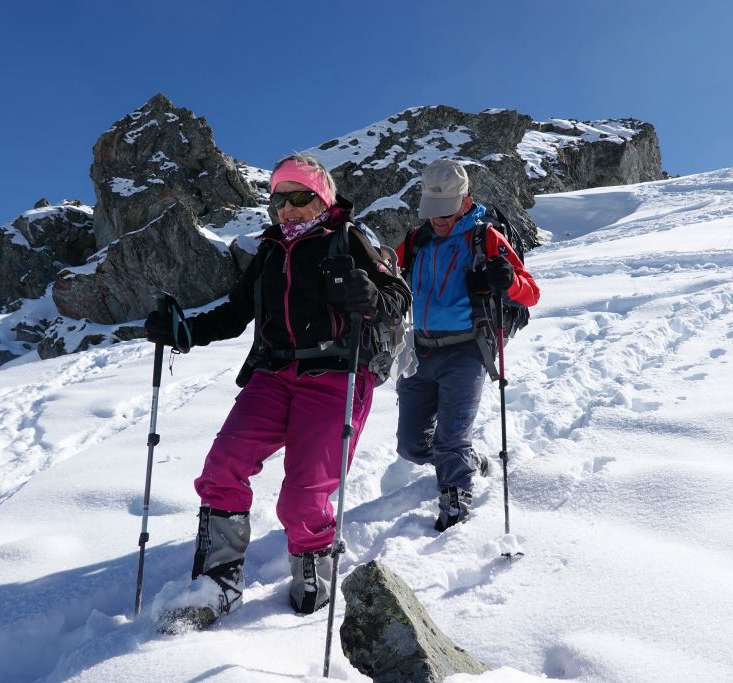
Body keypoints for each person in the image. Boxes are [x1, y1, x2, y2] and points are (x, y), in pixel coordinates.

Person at [144, 153, 411, 626]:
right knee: (222, 467)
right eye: (278, 200)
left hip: (336, 375)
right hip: (273, 375)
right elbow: (234, 312)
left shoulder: (349, 238)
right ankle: (218, 582)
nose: (287, 208)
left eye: (299, 197)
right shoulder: (269, 251)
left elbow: (397, 296)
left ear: (322, 198)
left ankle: (315, 577)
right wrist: (181, 330)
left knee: (304, 496)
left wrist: (370, 297)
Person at [395, 159, 540, 532]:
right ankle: (465, 460)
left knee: (451, 438)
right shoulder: (415, 240)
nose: (438, 220)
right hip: (421, 350)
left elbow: (531, 294)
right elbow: (388, 277)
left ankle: (456, 502)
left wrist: (506, 280)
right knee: (411, 445)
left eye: (445, 212)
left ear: (465, 201)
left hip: (466, 351)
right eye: (433, 212)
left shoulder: (486, 237)